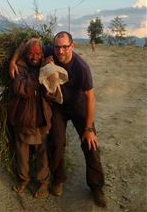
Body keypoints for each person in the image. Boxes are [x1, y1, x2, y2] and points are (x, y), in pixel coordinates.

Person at [9, 31, 106, 207]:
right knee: (57, 143)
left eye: (64, 47)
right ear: (53, 47)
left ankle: (96, 187)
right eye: (57, 47)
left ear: (72, 46)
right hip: (59, 108)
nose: (60, 51)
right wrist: (13, 61)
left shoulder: (81, 67)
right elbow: (25, 46)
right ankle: (58, 179)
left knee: (90, 145)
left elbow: (91, 98)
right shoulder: (48, 51)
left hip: (79, 107)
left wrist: (89, 128)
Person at [8, 38, 52, 198]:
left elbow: (52, 89)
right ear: (25, 54)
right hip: (23, 118)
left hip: (41, 116)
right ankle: (23, 180)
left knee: (42, 151)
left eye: (38, 54)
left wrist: (48, 70)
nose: (34, 57)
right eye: (30, 54)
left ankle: (44, 181)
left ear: (42, 53)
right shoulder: (18, 67)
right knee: (22, 151)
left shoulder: (46, 65)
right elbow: (23, 89)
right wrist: (40, 74)